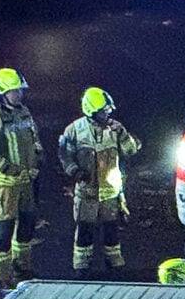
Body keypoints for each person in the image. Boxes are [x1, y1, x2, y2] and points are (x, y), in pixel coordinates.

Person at [58, 87, 141, 278]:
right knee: (85, 231)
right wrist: (74, 171)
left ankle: (114, 264)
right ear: (92, 111)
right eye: (104, 110)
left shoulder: (115, 129)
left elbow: (130, 151)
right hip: (87, 192)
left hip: (110, 192)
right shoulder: (75, 130)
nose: (108, 113)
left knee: (111, 230)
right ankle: (81, 267)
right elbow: (64, 154)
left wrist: (125, 135)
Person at [0, 68, 43, 292]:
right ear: (2, 92)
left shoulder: (23, 112)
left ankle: (22, 268)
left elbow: (33, 138)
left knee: (26, 226)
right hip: (4, 185)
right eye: (14, 91)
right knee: (3, 230)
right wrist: (8, 168)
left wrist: (37, 157)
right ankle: (0, 278)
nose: (19, 95)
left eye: (20, 91)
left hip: (25, 182)